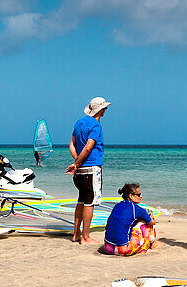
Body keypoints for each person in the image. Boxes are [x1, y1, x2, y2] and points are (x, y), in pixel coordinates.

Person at [65, 97, 110, 245]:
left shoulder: (79, 122)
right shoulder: (96, 126)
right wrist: (77, 162)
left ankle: (76, 234)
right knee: (89, 202)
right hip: (91, 168)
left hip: (80, 170)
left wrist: (76, 162)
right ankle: (85, 237)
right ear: (101, 110)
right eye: (105, 108)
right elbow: (89, 147)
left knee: (81, 200)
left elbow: (71, 144)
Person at [101, 183, 157, 256]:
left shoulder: (117, 205)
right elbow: (152, 222)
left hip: (108, 248)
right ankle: (152, 242)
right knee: (146, 224)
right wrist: (151, 217)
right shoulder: (137, 209)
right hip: (123, 249)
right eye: (139, 194)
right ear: (131, 196)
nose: (141, 196)